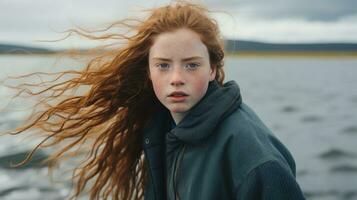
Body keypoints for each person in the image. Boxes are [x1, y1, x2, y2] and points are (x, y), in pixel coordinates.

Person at [3, 1, 306, 200]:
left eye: (191, 65)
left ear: (213, 69)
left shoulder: (255, 159)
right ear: (148, 71)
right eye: (163, 65)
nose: (176, 78)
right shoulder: (162, 128)